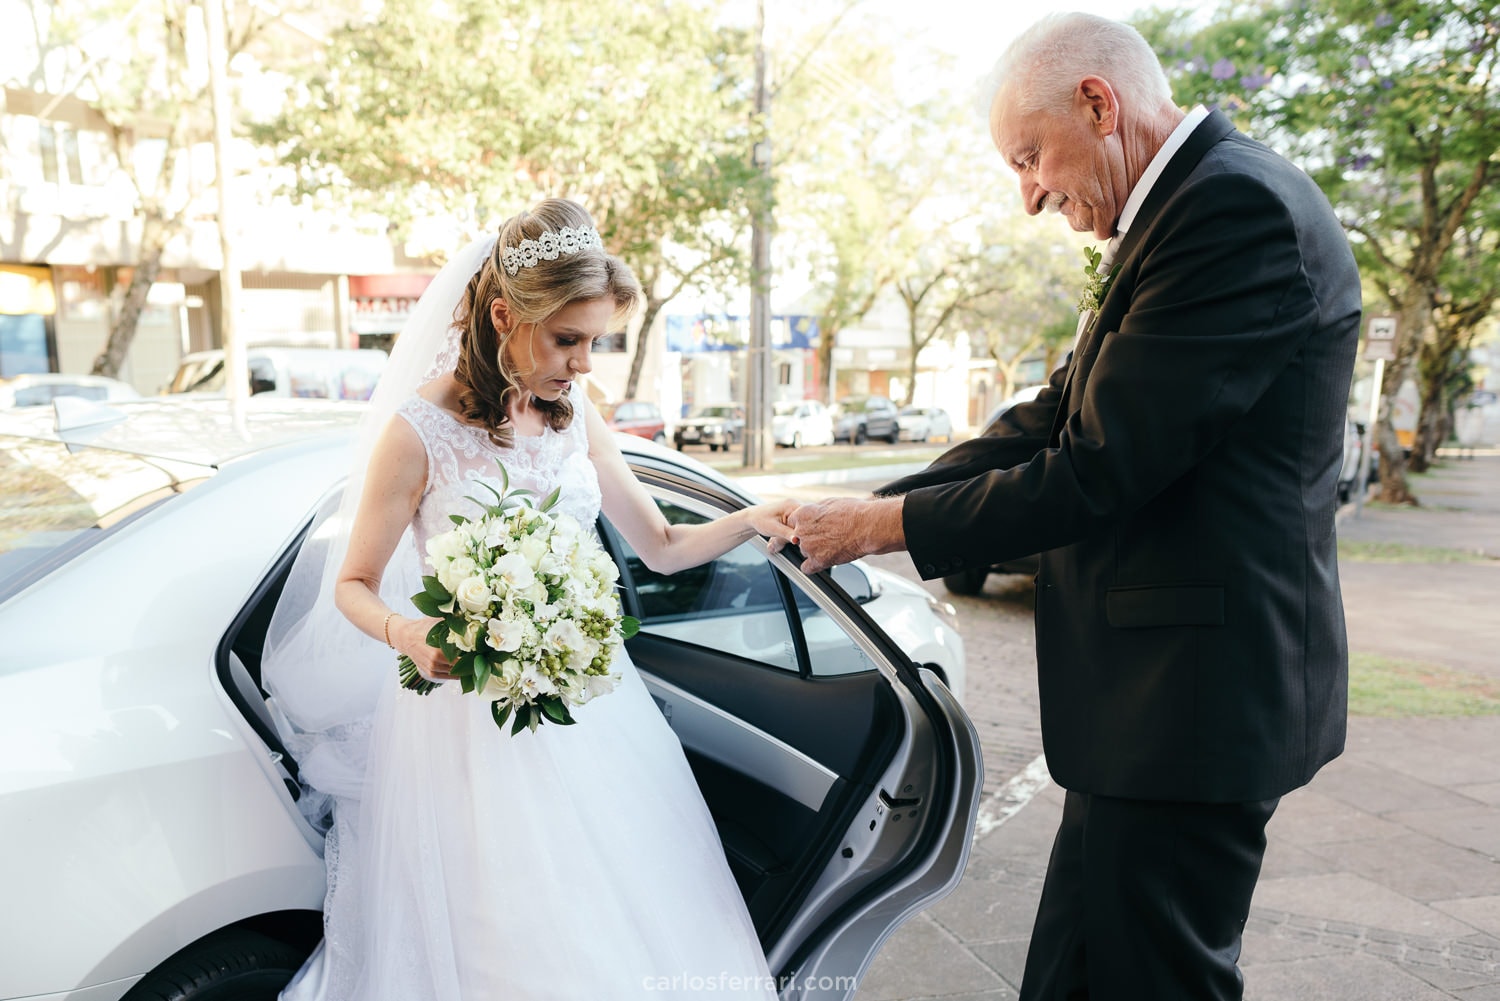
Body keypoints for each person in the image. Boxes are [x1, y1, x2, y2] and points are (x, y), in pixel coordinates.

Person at [788, 13, 1360, 1000]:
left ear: (1098, 103)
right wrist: (874, 501)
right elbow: (1055, 413)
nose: (1029, 196)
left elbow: (1100, 466)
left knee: (1156, 979)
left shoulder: (1234, 213)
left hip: (1192, 708)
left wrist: (881, 531)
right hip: (1145, 710)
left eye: (1030, 158)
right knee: (1070, 978)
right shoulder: (1183, 208)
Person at [262, 198, 794, 1000]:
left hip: (594, 710)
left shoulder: (577, 415)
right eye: (567, 340)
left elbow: (661, 546)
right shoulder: (419, 432)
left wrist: (750, 519)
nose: (584, 364)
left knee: (619, 919)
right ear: (506, 315)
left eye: (596, 342)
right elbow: (352, 585)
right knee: (502, 940)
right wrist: (406, 633)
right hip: (469, 721)